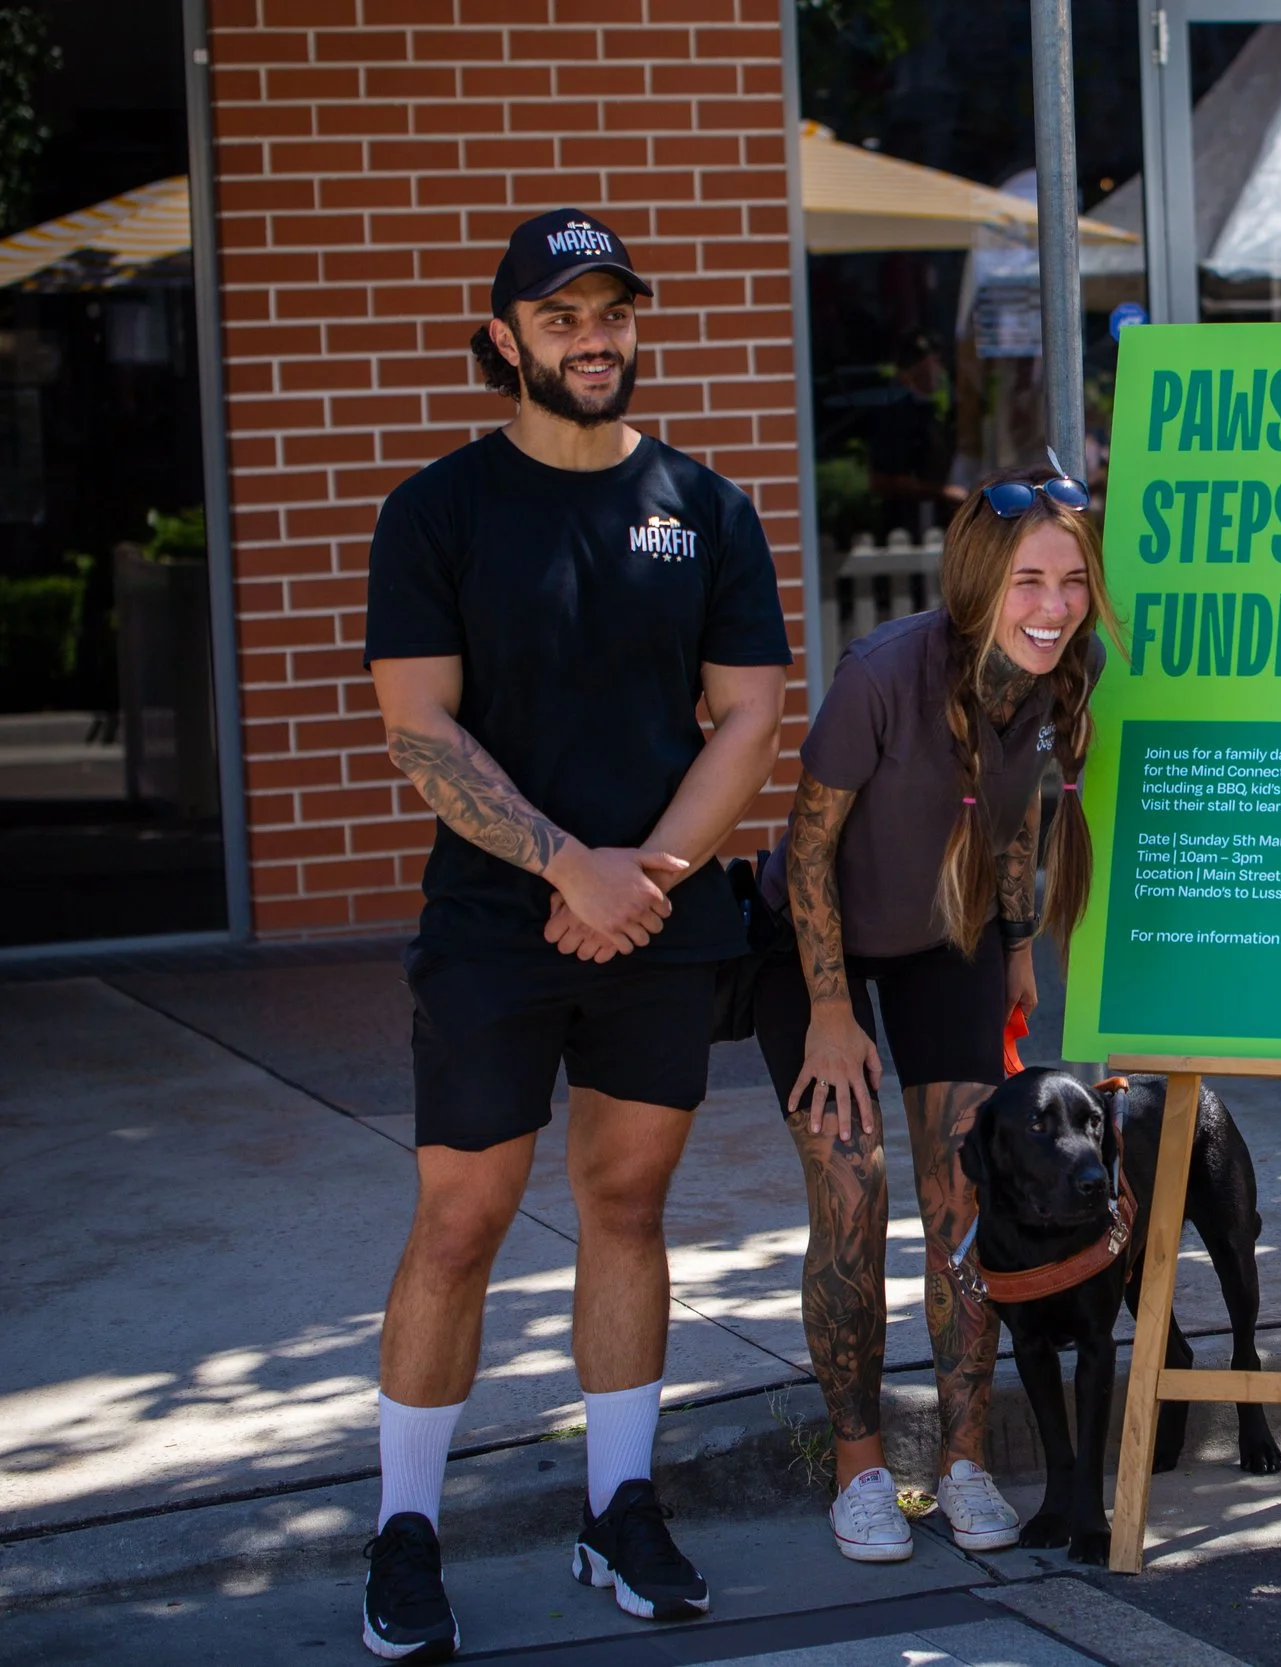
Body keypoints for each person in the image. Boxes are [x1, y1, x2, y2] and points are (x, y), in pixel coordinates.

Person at [359, 209, 792, 1661]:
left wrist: (646, 873)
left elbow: (749, 711)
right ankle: (405, 1527)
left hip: (660, 920)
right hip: (493, 919)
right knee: (463, 1219)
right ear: (505, 340)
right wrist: (563, 863)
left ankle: (619, 1503)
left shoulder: (706, 506)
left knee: (627, 1207)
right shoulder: (439, 511)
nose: (593, 337)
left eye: (611, 311)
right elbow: (417, 722)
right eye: (560, 316)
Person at [751, 459, 1109, 1564]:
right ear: (976, 580)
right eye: (1028, 582)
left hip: (944, 938)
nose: (1052, 608)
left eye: (1073, 581)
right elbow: (808, 848)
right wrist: (827, 1010)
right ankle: (860, 1469)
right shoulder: (881, 673)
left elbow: (1020, 821)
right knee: (852, 1189)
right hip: (813, 947)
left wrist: (1013, 951)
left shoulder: (1062, 676)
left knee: (964, 1195)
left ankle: (961, 1457)